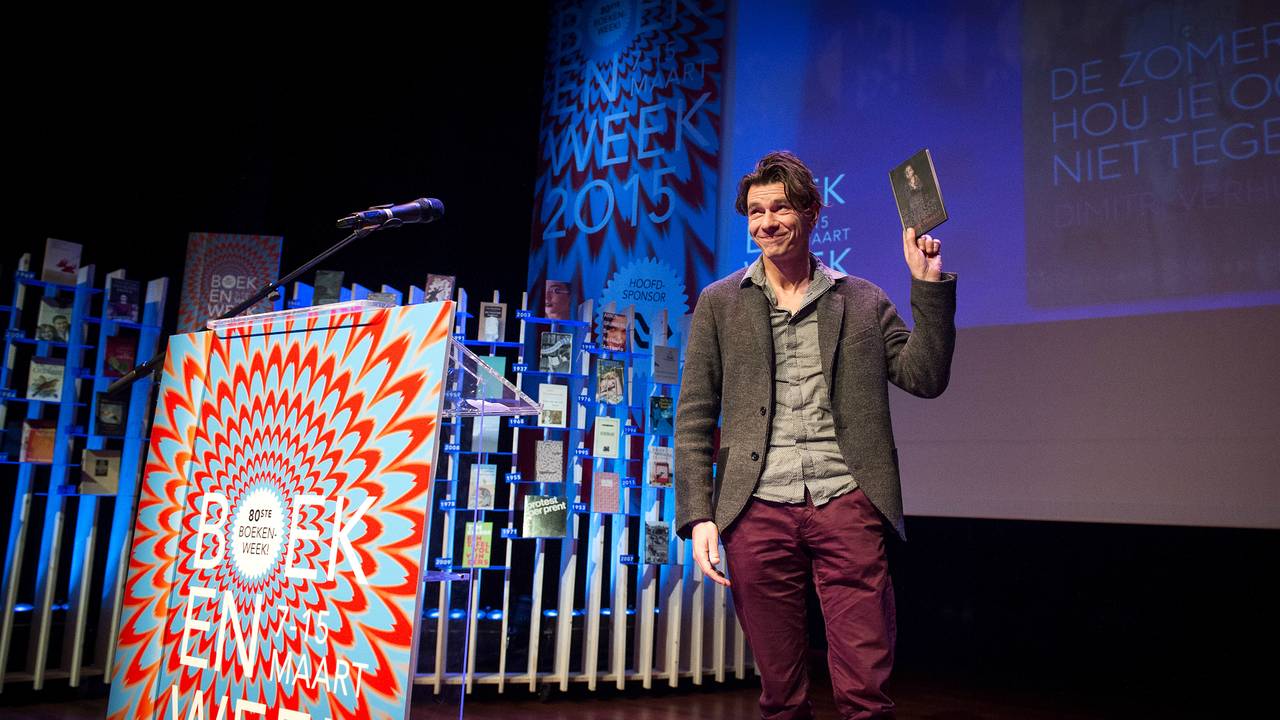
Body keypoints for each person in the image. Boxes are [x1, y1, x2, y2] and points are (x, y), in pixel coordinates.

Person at [675, 151, 956, 719]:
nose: (766, 222)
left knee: (865, 694)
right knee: (780, 695)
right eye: (756, 212)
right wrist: (699, 515)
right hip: (756, 508)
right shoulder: (720, 303)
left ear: (811, 213)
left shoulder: (862, 299)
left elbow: (925, 377)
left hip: (846, 499)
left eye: (779, 208)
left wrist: (927, 286)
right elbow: (695, 416)